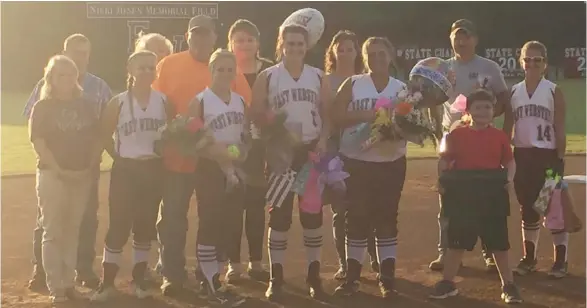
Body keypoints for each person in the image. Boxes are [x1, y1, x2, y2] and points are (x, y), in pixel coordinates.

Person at [153, 14, 251, 297]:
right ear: (187, 36)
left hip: (216, 165)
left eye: (206, 33)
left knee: (216, 218)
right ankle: (172, 274)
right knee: (173, 217)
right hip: (179, 160)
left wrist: (231, 153)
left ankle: (208, 276)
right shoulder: (169, 64)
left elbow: (242, 124)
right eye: (195, 33)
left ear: (214, 37)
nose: (200, 38)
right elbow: (160, 108)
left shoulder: (233, 71)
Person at [24, 33, 112, 291]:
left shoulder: (90, 98)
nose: (67, 78)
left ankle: (74, 277)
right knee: (50, 226)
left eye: (84, 54)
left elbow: (99, 133)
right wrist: (57, 167)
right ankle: (50, 280)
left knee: (78, 225)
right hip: (54, 173)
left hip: (84, 173)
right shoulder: (43, 99)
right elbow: (36, 136)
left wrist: (90, 164)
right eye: (61, 74)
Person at [251, 25, 332, 301]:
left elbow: (326, 113)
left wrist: (323, 140)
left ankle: (314, 275)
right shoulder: (268, 76)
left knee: (312, 215)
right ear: (281, 44)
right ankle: (277, 278)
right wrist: (274, 132)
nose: (295, 48)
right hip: (280, 153)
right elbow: (257, 113)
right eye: (290, 43)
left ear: (307, 46)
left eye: (300, 43)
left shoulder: (318, 76)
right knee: (280, 215)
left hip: (309, 151)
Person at [428, 19, 510, 272]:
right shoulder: (442, 68)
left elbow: (504, 98)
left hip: (481, 140)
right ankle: (446, 252)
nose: (461, 41)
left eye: (465, 36)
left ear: (475, 39)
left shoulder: (489, 67)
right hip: (451, 140)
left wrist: (486, 120)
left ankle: (488, 252)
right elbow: (432, 98)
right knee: (448, 197)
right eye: (456, 37)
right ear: (450, 39)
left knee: (485, 198)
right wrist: (435, 128)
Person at [90, 51, 172, 301]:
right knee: (118, 225)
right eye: (141, 68)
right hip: (126, 169)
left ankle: (139, 281)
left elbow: (170, 134)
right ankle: (107, 284)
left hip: (153, 168)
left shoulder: (164, 101)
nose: (147, 72)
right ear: (130, 69)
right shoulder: (119, 102)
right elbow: (104, 134)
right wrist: (119, 156)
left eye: (151, 68)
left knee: (145, 226)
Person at [429, 89, 522, 304]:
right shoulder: (456, 135)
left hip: (491, 193)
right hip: (463, 193)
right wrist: (442, 181)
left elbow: (509, 161)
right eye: (478, 107)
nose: (483, 111)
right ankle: (448, 283)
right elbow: (444, 160)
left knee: (498, 242)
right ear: (468, 110)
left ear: (494, 112)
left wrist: (508, 179)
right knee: (457, 242)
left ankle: (508, 285)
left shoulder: (499, 136)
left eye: (488, 107)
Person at [332, 37, 406, 299]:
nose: (376, 58)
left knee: (386, 219)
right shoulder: (352, 83)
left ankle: (387, 278)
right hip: (356, 160)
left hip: (390, 162)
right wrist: (369, 115)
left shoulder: (402, 89)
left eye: (381, 53)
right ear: (364, 58)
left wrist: (394, 130)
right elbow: (337, 116)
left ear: (391, 55)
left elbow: (412, 127)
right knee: (357, 218)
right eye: (370, 54)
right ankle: (353, 278)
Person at [503, 41, 569, 278]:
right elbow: (508, 126)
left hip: (547, 157)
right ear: (521, 63)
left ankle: (560, 260)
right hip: (522, 156)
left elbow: (560, 128)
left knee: (554, 207)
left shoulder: (553, 90)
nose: (532, 64)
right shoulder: (514, 91)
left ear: (545, 64)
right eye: (527, 59)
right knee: (528, 207)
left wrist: (559, 159)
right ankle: (529, 257)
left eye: (537, 60)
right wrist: (503, 155)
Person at [190, 48, 249, 306]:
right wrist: (218, 153)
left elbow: (245, 138)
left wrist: (237, 153)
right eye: (220, 69)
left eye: (230, 69)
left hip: (234, 169)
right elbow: (193, 141)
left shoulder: (239, 101)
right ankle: (211, 281)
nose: (225, 74)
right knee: (210, 222)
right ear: (211, 70)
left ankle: (212, 275)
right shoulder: (200, 101)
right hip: (210, 169)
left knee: (229, 224)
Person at [323, 30, 378, 281]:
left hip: (366, 149)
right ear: (332, 52)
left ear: (358, 52)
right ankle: (345, 263)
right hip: (334, 148)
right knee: (341, 208)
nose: (345, 52)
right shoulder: (325, 80)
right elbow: (325, 118)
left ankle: (375, 258)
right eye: (340, 48)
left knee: (369, 205)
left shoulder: (367, 80)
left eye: (350, 48)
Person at [224, 19, 273, 282]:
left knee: (256, 206)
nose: (244, 44)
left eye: (249, 39)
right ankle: (234, 264)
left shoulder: (268, 71)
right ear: (230, 44)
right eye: (239, 39)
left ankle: (256, 262)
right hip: (231, 146)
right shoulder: (223, 70)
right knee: (233, 206)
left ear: (258, 43)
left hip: (261, 148)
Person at [133, 31, 174, 277]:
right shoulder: (131, 91)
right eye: (152, 50)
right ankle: (141, 264)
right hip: (140, 164)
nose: (159, 57)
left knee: (169, 212)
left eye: (163, 52)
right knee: (142, 213)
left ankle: (164, 260)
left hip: (169, 159)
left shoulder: (171, 84)